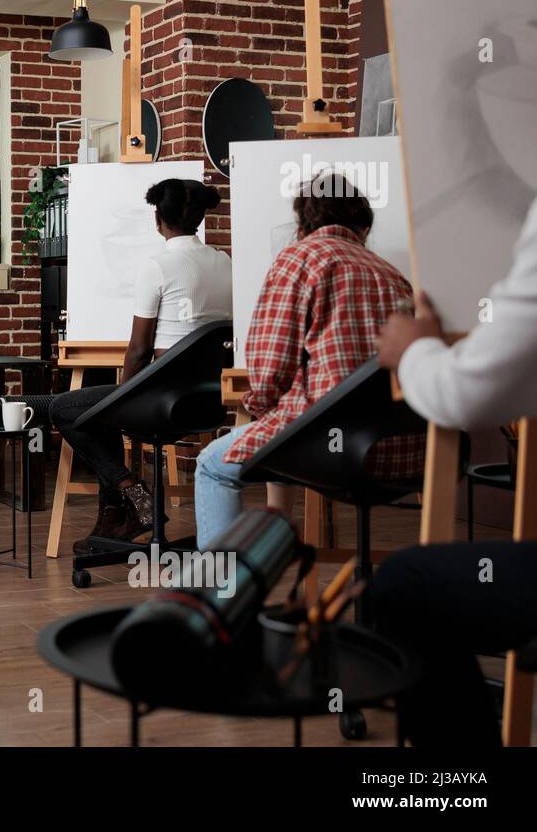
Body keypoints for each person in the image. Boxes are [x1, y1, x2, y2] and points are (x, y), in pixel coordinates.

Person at [368, 197, 537, 746]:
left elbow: (468, 392)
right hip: (407, 451)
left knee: (402, 588)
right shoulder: (387, 272)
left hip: (344, 446)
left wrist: (415, 351)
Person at [194, 172, 421, 548]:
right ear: (362, 225)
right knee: (285, 422)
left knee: (212, 466)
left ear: (304, 222)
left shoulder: (299, 259)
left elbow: (269, 373)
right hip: (402, 451)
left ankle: (222, 598)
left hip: (330, 448)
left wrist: (263, 410)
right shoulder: (393, 275)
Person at [50, 178, 230, 553]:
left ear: (157, 220)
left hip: (162, 399)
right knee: (102, 413)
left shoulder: (159, 265)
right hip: (208, 402)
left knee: (64, 407)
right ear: (198, 217)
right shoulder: (224, 263)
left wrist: (123, 401)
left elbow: (138, 349)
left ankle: (133, 492)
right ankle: (115, 518)